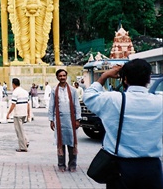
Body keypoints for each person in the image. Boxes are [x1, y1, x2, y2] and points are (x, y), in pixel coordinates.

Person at [83, 59, 163, 189]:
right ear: (149, 79)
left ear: (124, 79)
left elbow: (89, 95)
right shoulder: (160, 102)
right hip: (151, 167)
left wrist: (105, 75)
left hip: (121, 168)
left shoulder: (113, 99)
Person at [48, 69, 81, 172]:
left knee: (71, 143)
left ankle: (72, 165)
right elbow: (51, 106)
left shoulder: (73, 90)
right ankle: (61, 165)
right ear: (57, 77)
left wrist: (77, 119)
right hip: (59, 121)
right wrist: (51, 120)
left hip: (71, 120)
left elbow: (77, 105)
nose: (62, 77)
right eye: (60, 76)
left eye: (64, 75)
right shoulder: (54, 90)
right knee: (60, 143)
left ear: (66, 76)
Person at [6, 78, 31, 152]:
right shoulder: (25, 92)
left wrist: (8, 113)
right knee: (21, 129)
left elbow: (13, 104)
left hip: (18, 113)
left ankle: (23, 147)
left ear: (13, 84)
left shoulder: (15, 92)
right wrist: (28, 114)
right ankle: (26, 141)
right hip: (24, 113)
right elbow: (28, 104)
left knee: (19, 131)